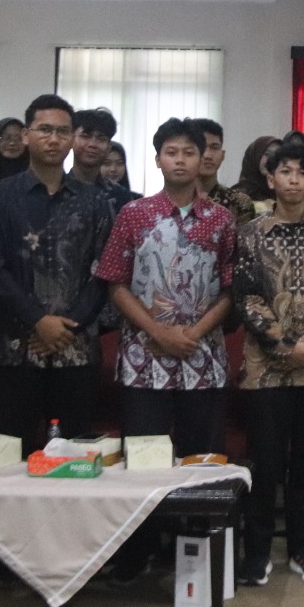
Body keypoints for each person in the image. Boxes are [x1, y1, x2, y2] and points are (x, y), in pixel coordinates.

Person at [233, 141, 304, 586]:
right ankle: (257, 552)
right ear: (271, 179)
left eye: (302, 172)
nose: (294, 179)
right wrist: (282, 342)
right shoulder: (249, 233)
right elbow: (245, 296)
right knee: (264, 463)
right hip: (265, 367)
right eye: (286, 171)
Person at [0, 95, 114, 450]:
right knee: (9, 455)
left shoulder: (95, 201)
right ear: (26, 135)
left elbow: (104, 271)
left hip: (76, 350)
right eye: (44, 130)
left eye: (62, 132)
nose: (53, 139)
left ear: (72, 138)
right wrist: (38, 320)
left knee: (73, 456)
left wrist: (66, 328)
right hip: (13, 349)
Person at [95, 117, 236, 455]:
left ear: (201, 159)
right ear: (158, 159)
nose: (180, 160)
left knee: (202, 462)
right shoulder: (133, 213)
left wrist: (193, 334)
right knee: (144, 460)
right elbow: (115, 283)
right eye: (171, 153)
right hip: (145, 357)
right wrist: (159, 332)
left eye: (189, 152)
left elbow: (230, 289)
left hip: (201, 356)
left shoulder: (221, 219)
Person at [69, 107, 138, 212]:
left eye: (101, 139)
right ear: (71, 140)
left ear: (109, 147)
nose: (92, 144)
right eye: (85, 136)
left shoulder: (120, 196)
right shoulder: (56, 190)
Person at [234, 135, 281, 219]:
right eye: (267, 154)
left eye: (276, 156)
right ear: (254, 156)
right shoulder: (236, 197)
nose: (270, 160)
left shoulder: (283, 194)